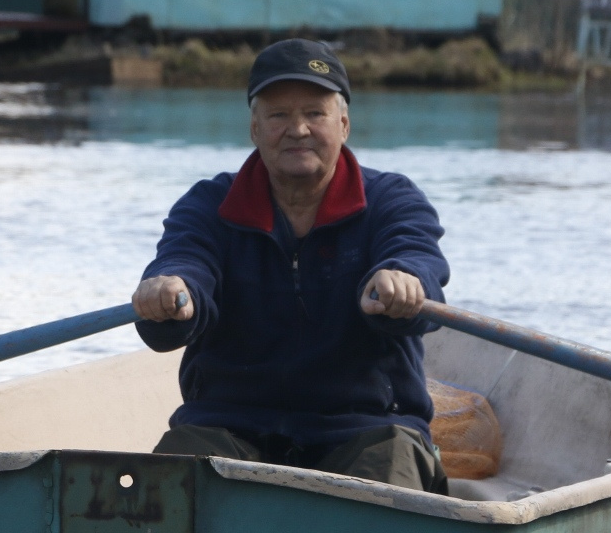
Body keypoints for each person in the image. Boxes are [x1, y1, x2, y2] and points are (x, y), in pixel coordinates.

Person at [132, 39, 451, 495]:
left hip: (366, 428)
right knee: (168, 485)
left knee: (393, 466)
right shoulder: (208, 204)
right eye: (279, 115)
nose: (297, 129)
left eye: (314, 114)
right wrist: (169, 292)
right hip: (228, 426)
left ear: (343, 124)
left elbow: (419, 260)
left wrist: (404, 280)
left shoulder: (392, 200)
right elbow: (185, 264)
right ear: (255, 128)